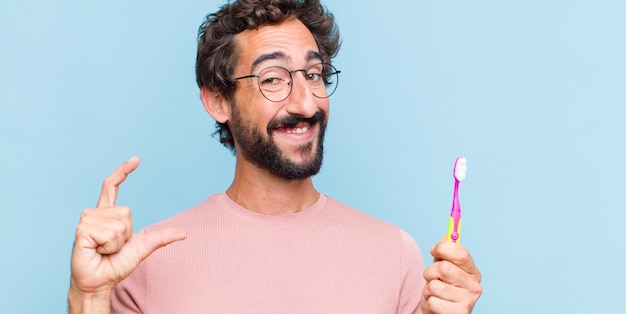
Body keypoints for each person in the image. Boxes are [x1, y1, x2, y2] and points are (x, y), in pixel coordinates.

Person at [68, 0, 482, 313]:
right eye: (273, 78)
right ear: (218, 102)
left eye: (314, 74)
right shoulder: (147, 261)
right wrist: (87, 297)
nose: (305, 103)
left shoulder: (395, 254)